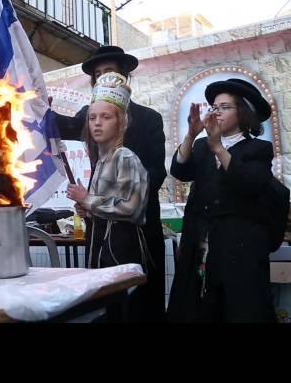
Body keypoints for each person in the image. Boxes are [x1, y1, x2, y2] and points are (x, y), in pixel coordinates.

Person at [54, 45, 167, 322]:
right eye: (98, 74)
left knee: (136, 303)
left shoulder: (147, 122)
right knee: (104, 302)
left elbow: (154, 176)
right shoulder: (90, 116)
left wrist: (113, 197)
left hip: (135, 233)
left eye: (109, 72)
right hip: (101, 231)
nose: (97, 124)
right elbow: (63, 126)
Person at [167, 78, 276, 322]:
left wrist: (218, 147)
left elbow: (251, 182)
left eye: (225, 107)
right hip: (201, 240)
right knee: (195, 305)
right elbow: (180, 171)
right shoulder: (202, 145)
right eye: (215, 107)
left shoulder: (258, 148)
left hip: (237, 244)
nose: (217, 112)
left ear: (243, 112)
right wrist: (191, 135)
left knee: (237, 307)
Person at [66, 72, 150, 321]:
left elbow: (132, 208)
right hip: (101, 251)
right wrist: (88, 209)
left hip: (120, 252)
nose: (97, 123)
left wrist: (88, 199)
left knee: (119, 315)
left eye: (106, 117)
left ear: (121, 122)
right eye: (92, 118)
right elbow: (108, 206)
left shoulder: (125, 157)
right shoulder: (102, 160)